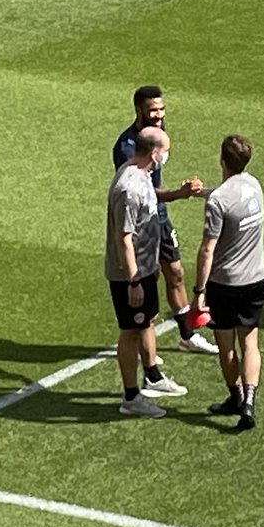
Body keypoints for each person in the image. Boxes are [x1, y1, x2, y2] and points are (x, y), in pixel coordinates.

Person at [113, 86, 219, 356]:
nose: (159, 115)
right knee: (149, 281)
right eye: (153, 110)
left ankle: (187, 334)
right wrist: (180, 194)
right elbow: (142, 191)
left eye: (162, 109)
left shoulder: (157, 131)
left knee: (176, 273)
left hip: (159, 218)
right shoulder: (127, 147)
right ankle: (142, 342)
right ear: (139, 111)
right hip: (141, 224)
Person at [105, 126, 190, 418]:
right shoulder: (128, 187)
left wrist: (180, 194)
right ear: (154, 152)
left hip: (144, 268)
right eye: (165, 150)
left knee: (145, 322)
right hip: (131, 275)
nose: (167, 155)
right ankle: (131, 398)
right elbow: (123, 238)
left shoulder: (141, 176)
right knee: (130, 331)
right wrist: (134, 281)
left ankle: (152, 376)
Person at [192, 136, 264, 431]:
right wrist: (203, 194)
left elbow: (207, 249)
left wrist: (199, 292)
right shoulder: (254, 186)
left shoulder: (218, 201)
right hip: (256, 279)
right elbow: (229, 199)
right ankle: (249, 401)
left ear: (221, 159)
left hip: (225, 283)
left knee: (226, 344)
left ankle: (234, 396)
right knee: (250, 342)